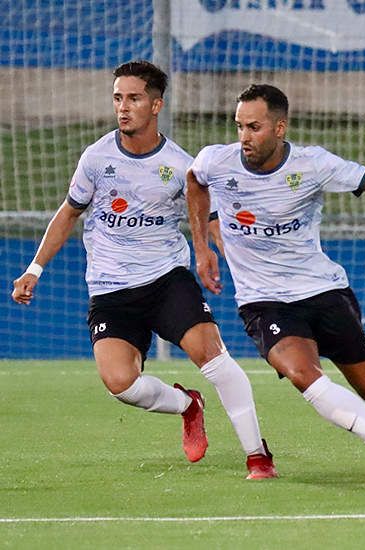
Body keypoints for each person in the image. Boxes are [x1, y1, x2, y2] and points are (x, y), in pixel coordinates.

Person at [186, 84, 365, 491]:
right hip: (264, 302)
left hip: (323, 291)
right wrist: (203, 245)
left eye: (254, 127)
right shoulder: (217, 160)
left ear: (280, 127)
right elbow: (194, 182)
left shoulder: (312, 165)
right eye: (239, 127)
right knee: (305, 376)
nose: (244, 137)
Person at [10, 61, 277, 479]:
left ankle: (258, 455)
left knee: (213, 356)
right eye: (118, 98)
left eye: (133, 98)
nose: (123, 107)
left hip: (166, 280)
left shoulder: (179, 165)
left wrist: (219, 254)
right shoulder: (96, 158)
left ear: (156, 105)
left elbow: (207, 219)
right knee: (121, 384)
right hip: (111, 289)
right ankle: (190, 405)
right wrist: (34, 270)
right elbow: (68, 214)